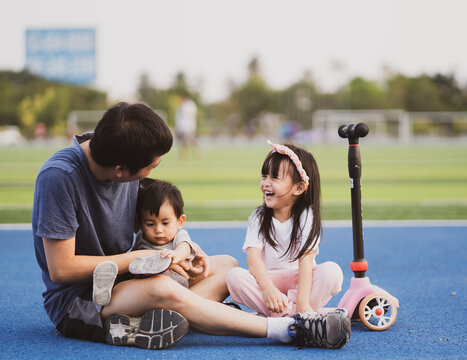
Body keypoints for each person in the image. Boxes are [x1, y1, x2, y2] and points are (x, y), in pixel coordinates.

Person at [32, 102, 351, 351]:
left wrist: (182, 253)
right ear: (120, 171)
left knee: (225, 265)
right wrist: (138, 262)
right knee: (163, 289)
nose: (155, 168)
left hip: (126, 282)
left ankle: (155, 321)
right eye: (151, 165)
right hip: (80, 303)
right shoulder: (60, 178)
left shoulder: (122, 149)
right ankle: (291, 328)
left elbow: (161, 223)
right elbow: (61, 269)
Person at [227, 141, 343, 317]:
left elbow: (306, 261)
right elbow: (253, 259)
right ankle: (297, 316)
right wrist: (268, 290)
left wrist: (303, 303)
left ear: (298, 187)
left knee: (332, 272)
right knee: (234, 276)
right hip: (269, 279)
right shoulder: (258, 217)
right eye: (264, 176)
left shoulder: (306, 216)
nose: (266, 183)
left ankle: (291, 313)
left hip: (300, 281)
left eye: (274, 178)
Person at [93, 179, 201, 307]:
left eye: (165, 223)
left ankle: (120, 286)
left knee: (166, 281)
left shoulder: (179, 235)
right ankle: (108, 287)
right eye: (150, 224)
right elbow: (134, 256)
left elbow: (185, 247)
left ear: (180, 221)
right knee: (129, 278)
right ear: (141, 223)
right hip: (143, 281)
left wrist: (175, 255)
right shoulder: (142, 237)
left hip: (174, 279)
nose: (158, 230)